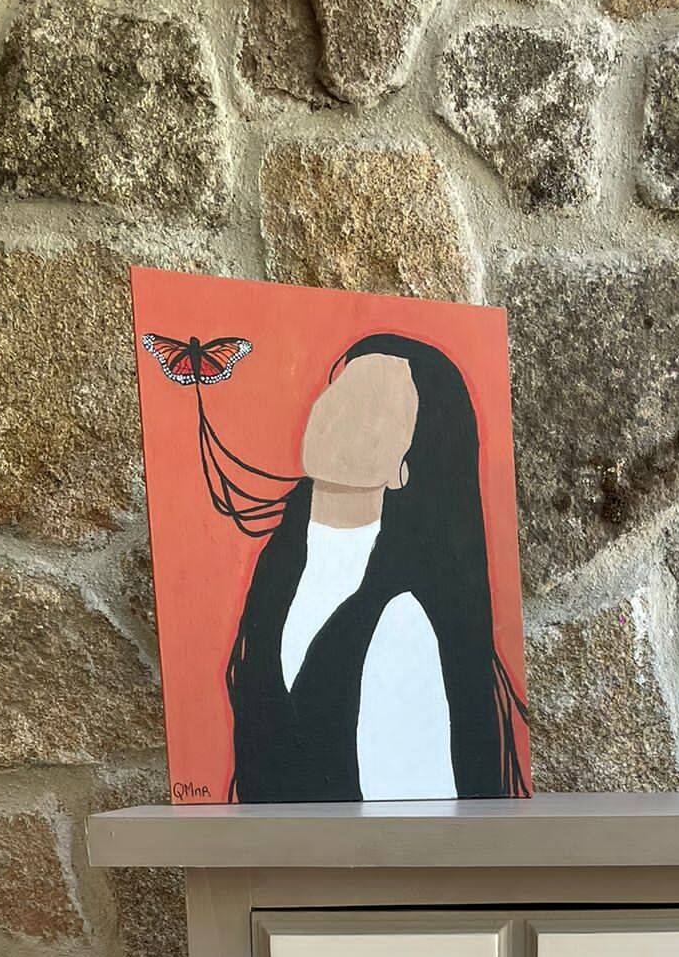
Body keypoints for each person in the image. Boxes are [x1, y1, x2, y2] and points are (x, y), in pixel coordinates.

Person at [223, 333, 526, 801]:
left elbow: (422, 823)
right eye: (342, 391)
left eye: (374, 409)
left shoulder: (404, 612)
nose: (339, 412)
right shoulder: (279, 569)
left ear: (404, 466)